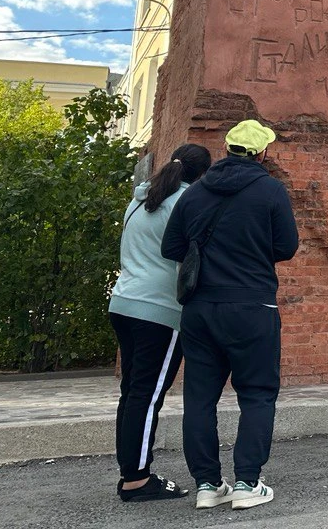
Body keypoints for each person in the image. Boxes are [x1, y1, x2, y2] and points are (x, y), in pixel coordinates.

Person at [162, 120, 298, 510]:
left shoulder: (196, 191)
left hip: (200, 308)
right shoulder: (270, 190)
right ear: (262, 152)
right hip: (253, 306)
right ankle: (246, 483)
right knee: (256, 394)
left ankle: (207, 485)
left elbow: (172, 247)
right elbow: (286, 246)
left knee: (200, 399)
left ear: (227, 148)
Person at [109, 143, 212, 501]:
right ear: (201, 174)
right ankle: (136, 479)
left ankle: (131, 471)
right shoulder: (187, 204)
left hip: (123, 302)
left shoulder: (139, 200)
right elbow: (193, 255)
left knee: (133, 392)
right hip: (160, 309)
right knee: (148, 395)